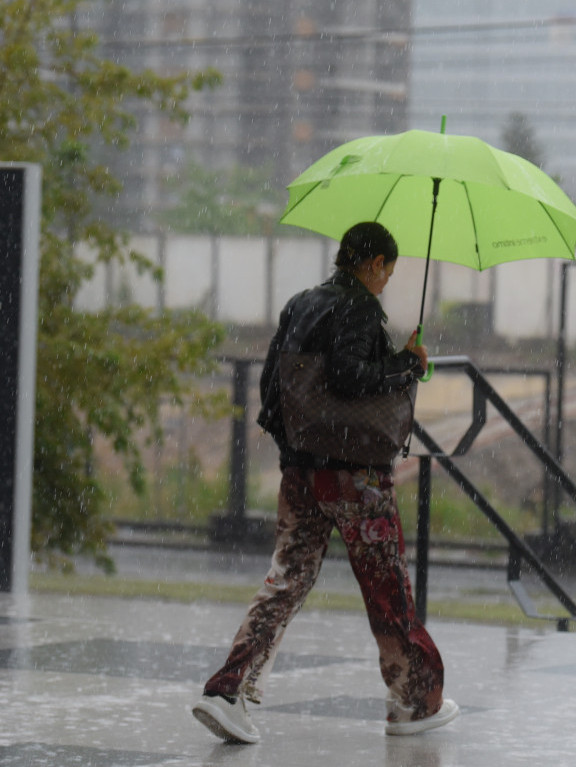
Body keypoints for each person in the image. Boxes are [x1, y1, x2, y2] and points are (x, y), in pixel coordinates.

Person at [191, 222, 459, 743]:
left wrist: (300, 452)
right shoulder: (360, 308)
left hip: (302, 471)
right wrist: (407, 363)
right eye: (387, 272)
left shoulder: (301, 304)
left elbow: (273, 387)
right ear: (375, 263)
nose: (385, 282)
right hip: (357, 477)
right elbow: (349, 377)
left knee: (286, 580)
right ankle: (413, 702)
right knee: (386, 586)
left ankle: (227, 691)